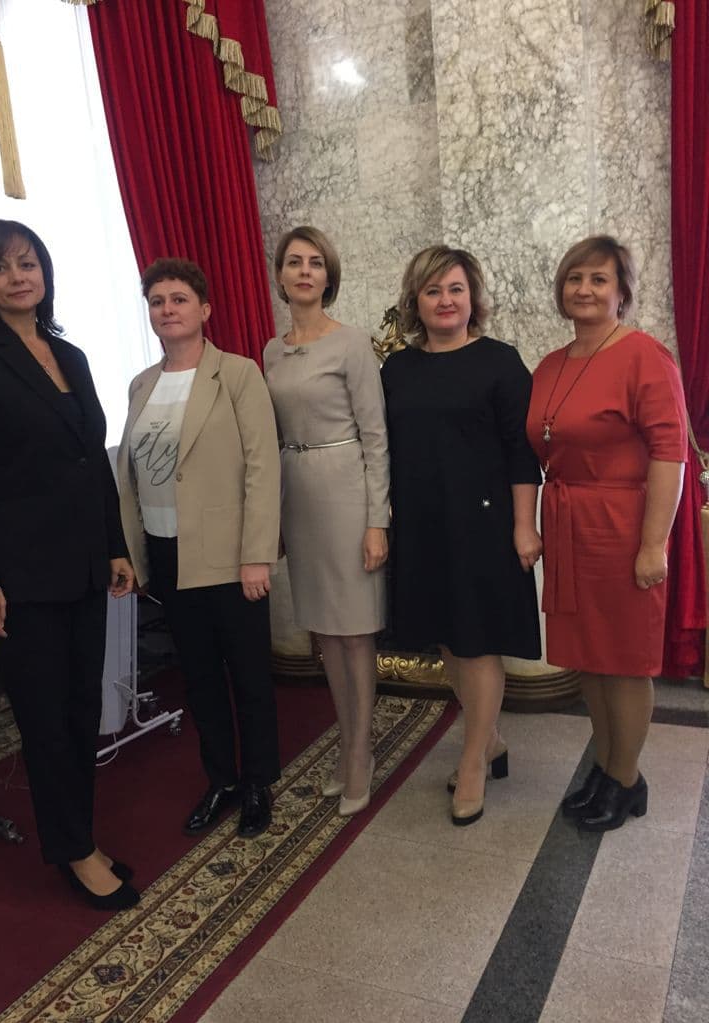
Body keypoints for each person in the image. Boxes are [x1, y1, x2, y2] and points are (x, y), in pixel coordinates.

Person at [0, 220, 138, 910]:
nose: (18, 277)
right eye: (1, 268)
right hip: (19, 577)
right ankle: (73, 850)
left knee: (82, 709)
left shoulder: (71, 355)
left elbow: (92, 462)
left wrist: (115, 545)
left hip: (82, 566)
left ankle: (78, 834)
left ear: (45, 273)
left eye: (28, 263)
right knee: (47, 718)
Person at [527, 235, 687, 832]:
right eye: (575, 278)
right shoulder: (551, 364)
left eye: (599, 279)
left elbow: (669, 453)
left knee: (624, 661)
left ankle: (626, 778)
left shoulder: (644, 354)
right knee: (589, 659)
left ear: (622, 292)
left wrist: (653, 544)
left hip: (623, 525)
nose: (585, 289)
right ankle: (605, 763)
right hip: (569, 523)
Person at [117, 258, 281, 839]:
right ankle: (222, 779)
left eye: (179, 299)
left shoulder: (237, 374)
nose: (168, 309)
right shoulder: (141, 385)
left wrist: (257, 554)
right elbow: (131, 476)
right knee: (200, 677)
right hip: (167, 553)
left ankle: (258, 781)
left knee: (249, 674)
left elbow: (262, 467)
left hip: (230, 553)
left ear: (205, 309)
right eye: (157, 301)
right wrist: (133, 554)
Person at [382, 245, 542, 826]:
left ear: (472, 297)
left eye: (455, 289)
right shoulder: (397, 370)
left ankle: (473, 758)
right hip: (422, 523)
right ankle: (491, 739)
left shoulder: (501, 362)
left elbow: (523, 452)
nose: (445, 300)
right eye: (433, 291)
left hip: (484, 524)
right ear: (416, 301)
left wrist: (525, 526)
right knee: (448, 640)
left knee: (476, 642)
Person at [264, 226, 389, 816]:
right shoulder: (272, 351)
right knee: (324, 632)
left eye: (316, 263)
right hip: (298, 494)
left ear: (328, 276)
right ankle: (347, 737)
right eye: (295, 262)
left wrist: (377, 520)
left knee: (354, 629)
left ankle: (361, 750)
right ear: (281, 275)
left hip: (346, 492)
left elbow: (376, 437)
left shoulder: (352, 343)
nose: (305, 272)